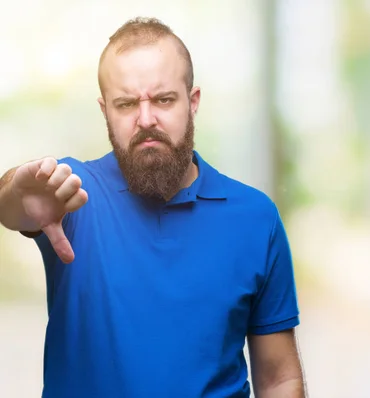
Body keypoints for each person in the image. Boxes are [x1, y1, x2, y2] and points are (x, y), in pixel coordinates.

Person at [0, 17, 307, 398]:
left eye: (163, 99)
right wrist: (15, 190)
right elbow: (13, 206)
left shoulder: (255, 218)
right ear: (105, 110)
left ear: (192, 102)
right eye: (126, 104)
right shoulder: (71, 193)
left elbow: (279, 378)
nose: (146, 120)